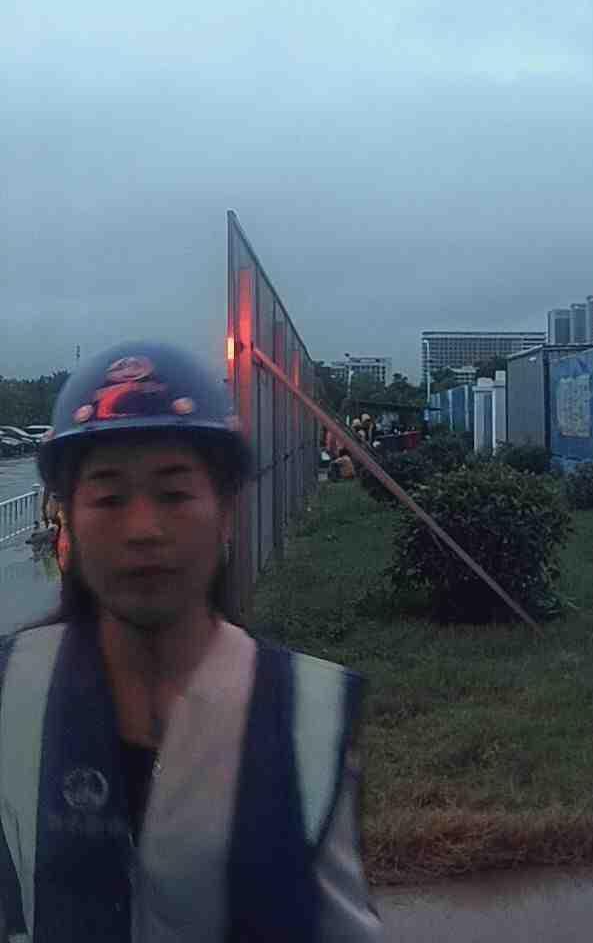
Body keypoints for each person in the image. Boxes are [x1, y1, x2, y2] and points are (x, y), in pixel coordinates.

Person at [0, 341, 381, 942]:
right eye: (109, 496)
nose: (144, 529)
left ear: (225, 511)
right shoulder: (10, 694)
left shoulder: (310, 713)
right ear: (67, 517)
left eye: (175, 493)